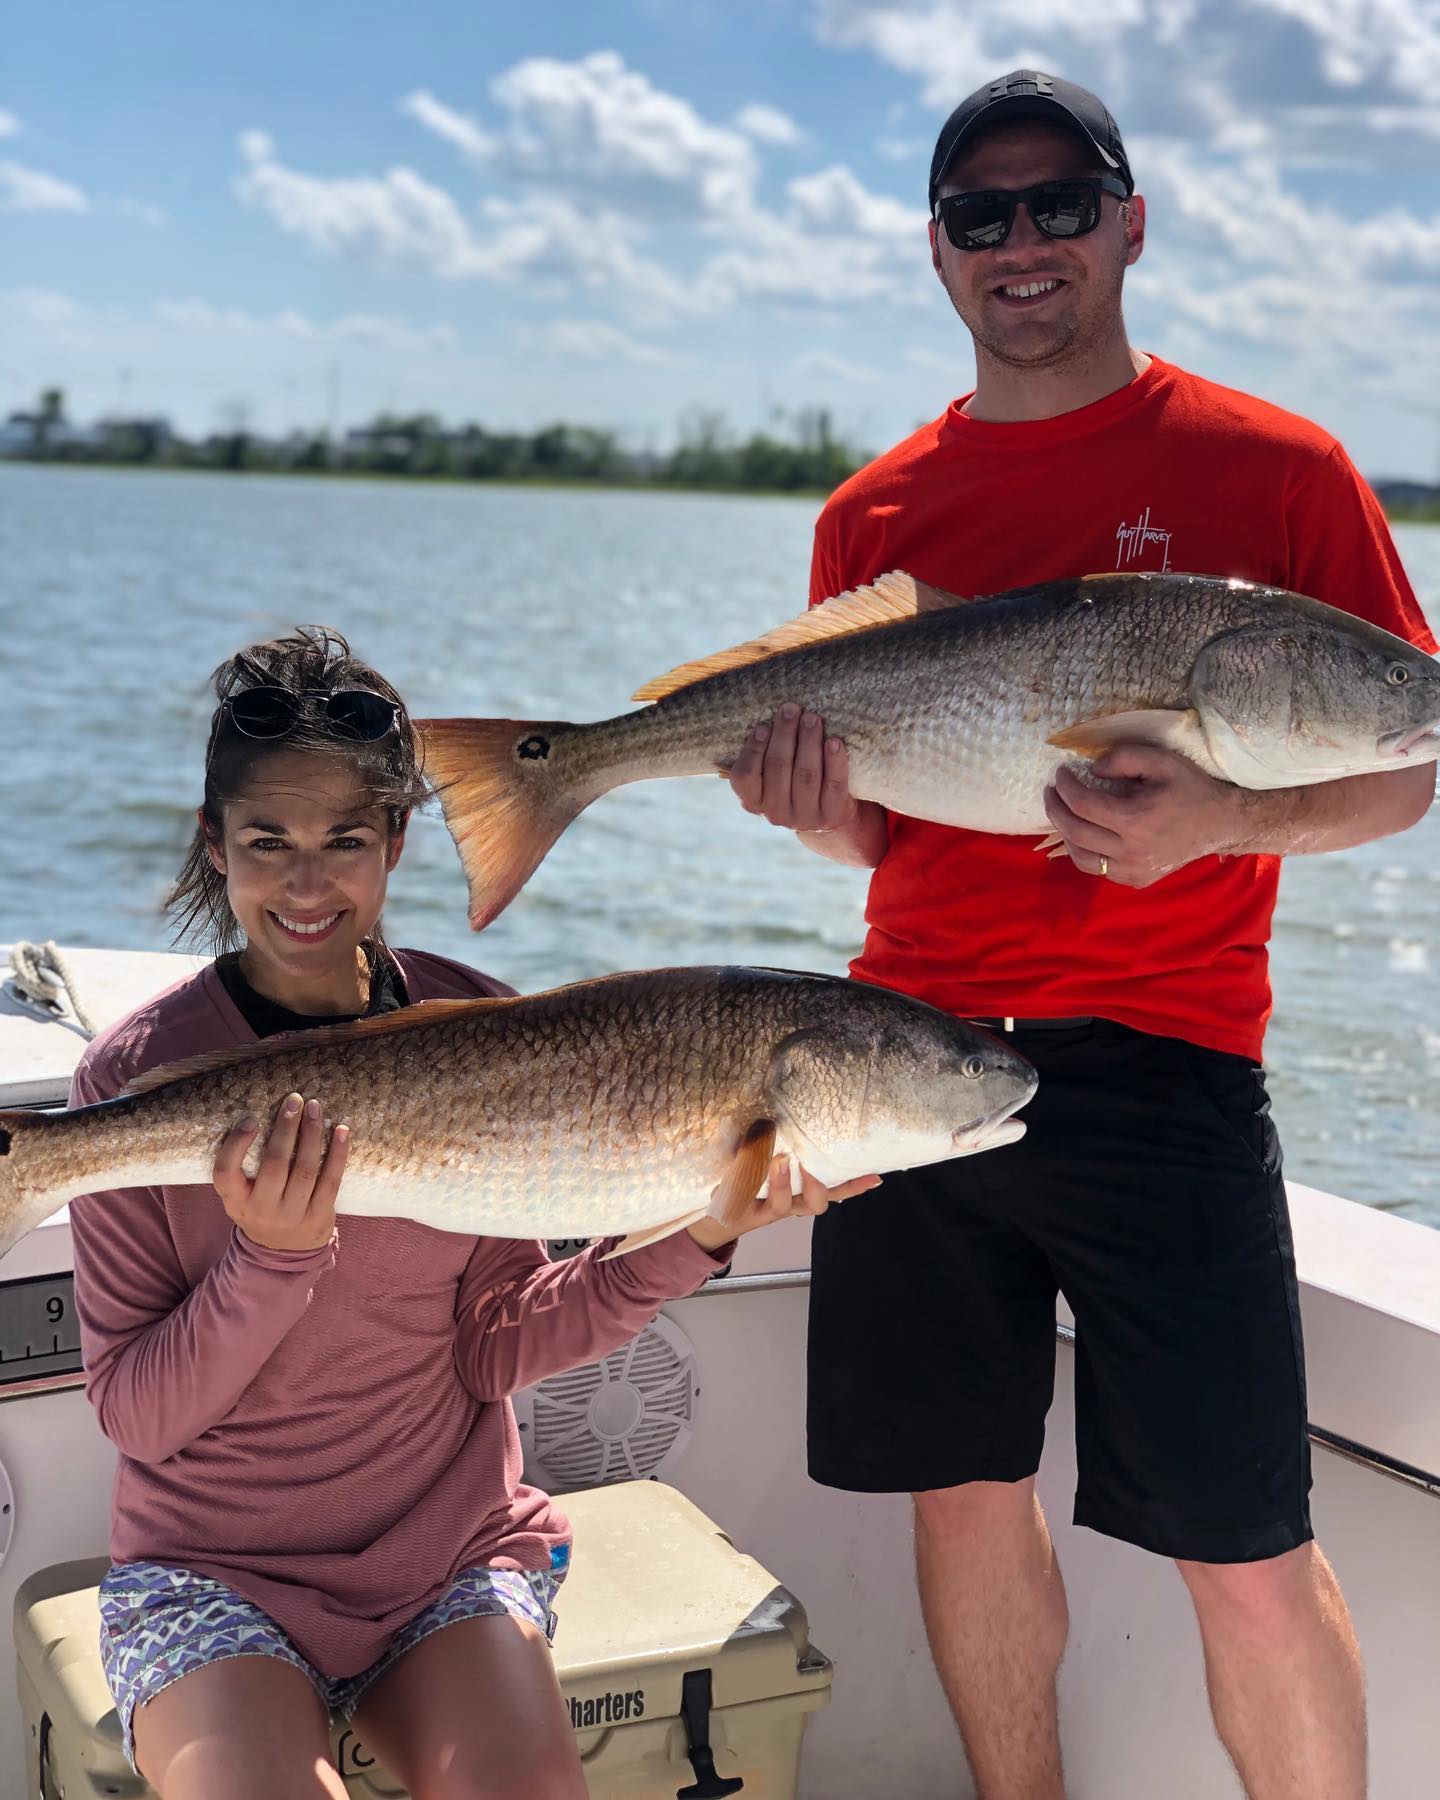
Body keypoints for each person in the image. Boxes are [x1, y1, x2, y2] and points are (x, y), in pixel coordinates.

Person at [724, 68, 1437, 1800]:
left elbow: (1410, 757)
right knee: (961, 1497)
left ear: (1131, 221)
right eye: (983, 215)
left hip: (1169, 1065)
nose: (1022, 242)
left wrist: (1229, 821)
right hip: (902, 1051)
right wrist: (814, 807)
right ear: (939, 251)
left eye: (1059, 204)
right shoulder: (875, 513)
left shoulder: (1281, 472)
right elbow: (873, 835)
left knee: (1245, 1544)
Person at [69, 626, 875, 1800]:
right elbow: (138, 1417)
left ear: (399, 841)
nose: (306, 884)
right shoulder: (136, 1076)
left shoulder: (486, 1022)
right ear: (215, 843)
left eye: (347, 841)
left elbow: (499, 1342)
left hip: (446, 1559)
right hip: (210, 1574)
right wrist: (271, 1263)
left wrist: (699, 1236)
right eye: (267, 843)